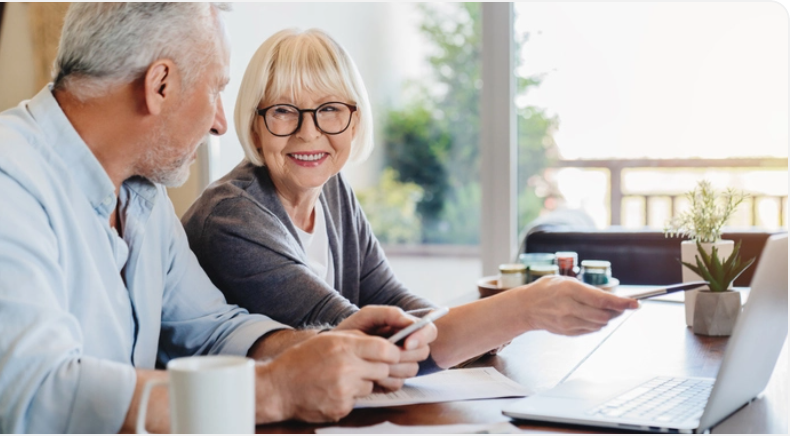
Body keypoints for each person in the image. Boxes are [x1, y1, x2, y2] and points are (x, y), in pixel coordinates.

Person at [0, 4, 436, 433]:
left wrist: (323, 346)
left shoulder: (141, 197)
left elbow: (211, 328)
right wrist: (272, 390)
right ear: (160, 85)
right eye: (217, 89)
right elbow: (40, 393)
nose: (220, 122)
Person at [181, 28, 640, 373]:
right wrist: (521, 309)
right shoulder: (232, 218)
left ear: (354, 121)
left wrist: (477, 333)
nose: (309, 132)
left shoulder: (333, 192)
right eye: (283, 111)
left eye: (330, 110)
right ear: (255, 124)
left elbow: (391, 299)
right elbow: (366, 341)